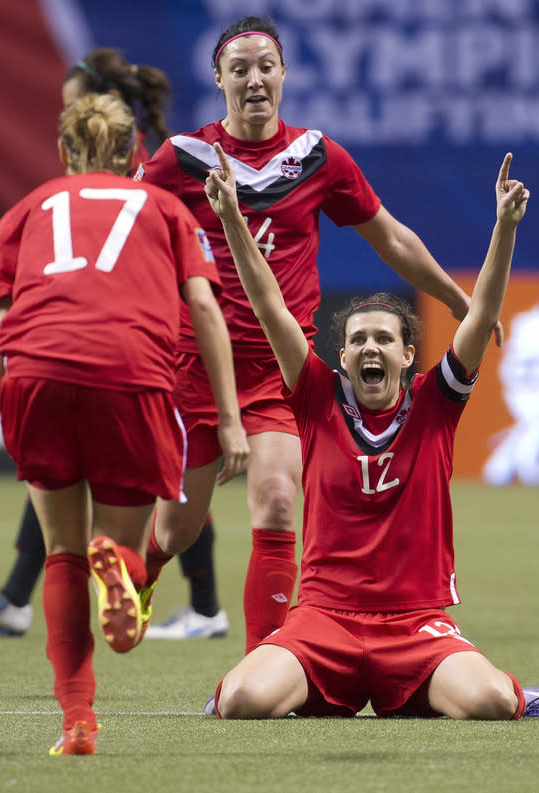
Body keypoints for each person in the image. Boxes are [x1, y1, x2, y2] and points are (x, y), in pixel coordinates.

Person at [135, 15, 490, 655]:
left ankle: (263, 669)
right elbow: (127, 230)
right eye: (238, 68)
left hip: (283, 370)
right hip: (198, 368)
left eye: (265, 66)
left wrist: (459, 299)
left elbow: (391, 237)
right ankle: (144, 573)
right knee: (177, 528)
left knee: (275, 504)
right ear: (218, 80)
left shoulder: (317, 157)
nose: (253, 79)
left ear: (284, 76)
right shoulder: (182, 159)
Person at [200, 142, 539, 720]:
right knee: (242, 701)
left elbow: (478, 317)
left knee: (494, 704)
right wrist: (230, 219)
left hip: (414, 623)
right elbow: (269, 303)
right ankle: (302, 682)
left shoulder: (436, 403)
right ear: (342, 355)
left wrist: (504, 229)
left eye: (383, 339)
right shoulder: (316, 397)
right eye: (357, 340)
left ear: (406, 355)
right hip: (323, 620)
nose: (369, 347)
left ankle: (509, 695)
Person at [0, 93, 245, 755]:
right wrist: (230, 419)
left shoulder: (29, 211)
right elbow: (206, 312)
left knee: (61, 551)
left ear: (64, 152)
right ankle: (119, 567)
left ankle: (78, 722)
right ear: (133, 155)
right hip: (128, 375)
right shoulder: (166, 208)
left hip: (37, 376)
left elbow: (0, 333)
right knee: (116, 548)